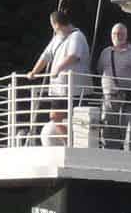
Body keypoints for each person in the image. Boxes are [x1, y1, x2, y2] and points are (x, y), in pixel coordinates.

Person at [27, 8, 91, 146]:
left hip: (75, 89)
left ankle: (72, 143)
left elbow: (73, 56)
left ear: (56, 24)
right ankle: (68, 141)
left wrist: (57, 68)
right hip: (59, 88)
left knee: (73, 118)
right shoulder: (57, 38)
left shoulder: (77, 36)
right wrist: (34, 72)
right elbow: (45, 56)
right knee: (56, 116)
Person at [95, 23, 131, 149]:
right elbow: (100, 70)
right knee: (109, 127)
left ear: (126, 35)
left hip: (129, 97)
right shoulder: (105, 52)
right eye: (114, 34)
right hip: (110, 97)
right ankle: (110, 153)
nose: (117, 36)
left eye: (120, 34)